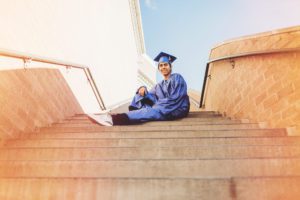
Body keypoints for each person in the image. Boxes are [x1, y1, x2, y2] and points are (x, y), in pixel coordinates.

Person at [90, 52, 190, 126]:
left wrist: (155, 108)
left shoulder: (177, 77)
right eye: (161, 65)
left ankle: (111, 119)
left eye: (165, 65)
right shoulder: (158, 86)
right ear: (159, 68)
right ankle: (138, 113)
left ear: (170, 66)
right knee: (142, 98)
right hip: (162, 109)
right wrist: (142, 89)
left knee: (149, 111)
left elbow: (177, 97)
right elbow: (150, 96)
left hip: (177, 109)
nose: (163, 67)